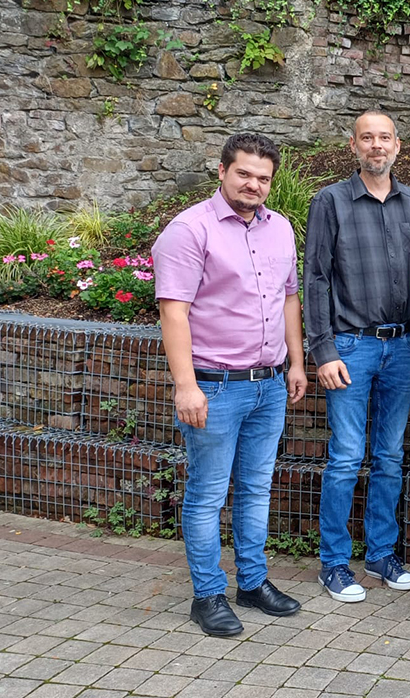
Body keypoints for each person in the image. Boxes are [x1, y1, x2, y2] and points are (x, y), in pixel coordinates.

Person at [152, 133, 308, 637]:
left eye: (263, 178)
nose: (254, 184)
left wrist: (297, 364)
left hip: (268, 385)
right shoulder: (188, 230)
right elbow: (173, 312)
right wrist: (185, 385)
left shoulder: (280, 228)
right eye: (244, 174)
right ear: (222, 171)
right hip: (215, 386)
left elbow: (289, 301)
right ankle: (208, 595)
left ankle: (253, 582)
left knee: (257, 489)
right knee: (207, 494)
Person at [303, 110, 410, 602]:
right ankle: (333, 562)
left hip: (402, 347)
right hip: (350, 348)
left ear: (398, 145)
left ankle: (381, 553)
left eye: (385, 138)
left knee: (391, 455)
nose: (377, 146)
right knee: (346, 456)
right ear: (353, 146)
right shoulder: (330, 201)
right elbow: (314, 278)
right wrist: (323, 349)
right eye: (367, 138)